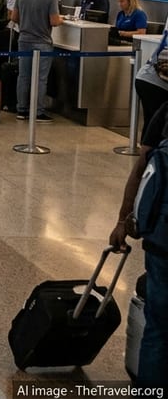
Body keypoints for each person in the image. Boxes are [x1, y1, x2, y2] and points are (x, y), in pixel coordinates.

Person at [109, 101, 168, 388]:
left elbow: (143, 168)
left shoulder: (165, 111)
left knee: (158, 328)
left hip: (162, 241)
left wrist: (123, 221)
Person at [12, 0, 63, 123]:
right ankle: (38, 111)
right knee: (41, 79)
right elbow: (54, 21)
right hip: (42, 42)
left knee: (23, 76)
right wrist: (62, 20)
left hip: (24, 40)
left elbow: (14, 18)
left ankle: (21, 110)